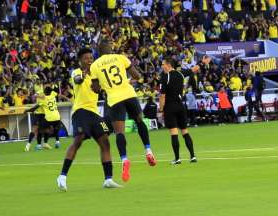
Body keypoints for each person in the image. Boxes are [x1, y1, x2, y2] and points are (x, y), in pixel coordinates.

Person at [90, 39, 156, 182]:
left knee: (119, 132)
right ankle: (148, 151)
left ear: (99, 52)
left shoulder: (94, 66)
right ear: (110, 49)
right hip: (129, 94)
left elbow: (96, 90)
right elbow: (137, 76)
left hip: (114, 99)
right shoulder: (120, 57)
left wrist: (98, 85)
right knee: (139, 122)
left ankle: (124, 159)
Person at [57, 48, 121, 191]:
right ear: (80, 60)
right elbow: (77, 81)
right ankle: (62, 176)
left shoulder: (96, 73)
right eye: (86, 58)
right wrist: (84, 75)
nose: (89, 60)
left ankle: (108, 179)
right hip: (80, 111)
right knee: (78, 140)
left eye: (91, 58)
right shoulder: (77, 72)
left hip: (94, 113)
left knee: (105, 142)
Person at [158, 56, 197, 165]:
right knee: (185, 131)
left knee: (174, 133)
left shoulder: (165, 77)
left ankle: (177, 158)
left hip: (170, 107)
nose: (162, 66)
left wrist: (161, 109)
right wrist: (202, 63)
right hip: (180, 106)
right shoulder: (180, 74)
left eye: (163, 64)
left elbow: (162, 96)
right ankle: (193, 156)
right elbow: (193, 69)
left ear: (169, 65)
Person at [24, 86, 62, 150]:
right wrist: (38, 96)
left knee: (46, 130)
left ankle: (45, 143)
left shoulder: (50, 93)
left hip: (45, 114)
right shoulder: (40, 92)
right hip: (38, 114)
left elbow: (57, 95)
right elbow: (34, 96)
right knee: (35, 129)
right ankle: (28, 144)